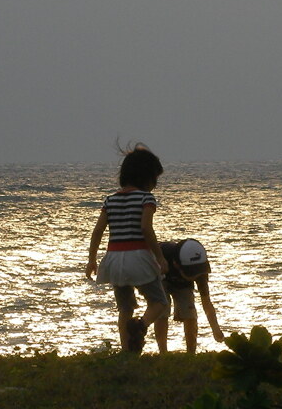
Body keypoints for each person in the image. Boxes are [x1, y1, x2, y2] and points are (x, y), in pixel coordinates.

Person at [85, 144, 169, 353]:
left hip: (114, 259)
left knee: (125, 307)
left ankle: (127, 350)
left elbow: (97, 231)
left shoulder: (110, 200)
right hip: (138, 257)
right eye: (155, 179)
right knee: (159, 302)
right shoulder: (145, 198)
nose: (155, 185)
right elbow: (146, 229)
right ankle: (140, 326)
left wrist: (92, 260)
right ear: (147, 177)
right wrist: (160, 258)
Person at [155, 238, 225, 354]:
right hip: (160, 276)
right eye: (191, 273)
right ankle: (163, 352)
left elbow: (207, 303)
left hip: (183, 285)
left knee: (190, 312)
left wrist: (216, 329)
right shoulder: (162, 253)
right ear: (176, 265)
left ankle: (191, 353)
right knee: (162, 310)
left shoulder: (200, 272)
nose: (195, 277)